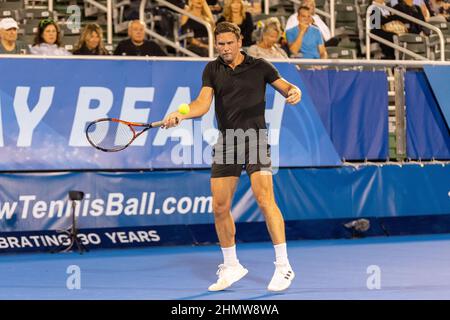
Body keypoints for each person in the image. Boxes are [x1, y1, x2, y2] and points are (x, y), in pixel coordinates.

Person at [163, 22, 301, 292]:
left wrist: (295, 92)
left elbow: (286, 87)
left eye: (228, 43)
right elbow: (202, 105)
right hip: (227, 141)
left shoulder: (260, 66)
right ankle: (231, 265)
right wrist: (181, 113)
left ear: (239, 42)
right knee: (219, 207)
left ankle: (284, 266)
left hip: (255, 139)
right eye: (220, 43)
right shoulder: (212, 69)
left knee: (264, 199)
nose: (224, 48)